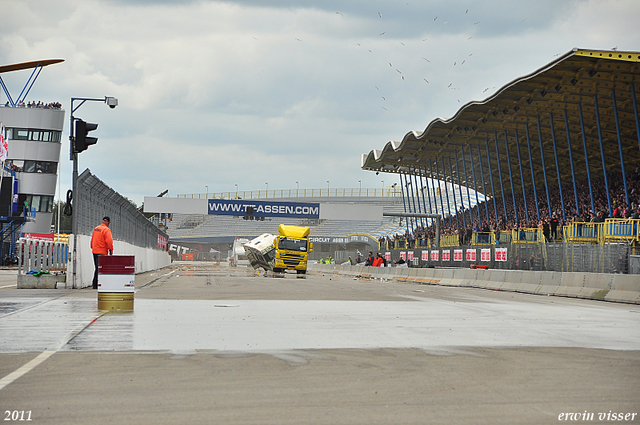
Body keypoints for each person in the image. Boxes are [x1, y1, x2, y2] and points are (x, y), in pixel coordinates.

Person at [91, 216, 113, 289]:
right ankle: (96, 284)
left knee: (97, 267)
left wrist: (92, 247)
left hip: (95, 251)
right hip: (102, 251)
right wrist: (111, 250)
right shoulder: (107, 230)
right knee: (100, 268)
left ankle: (95, 284)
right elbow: (109, 241)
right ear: (108, 223)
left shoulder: (96, 228)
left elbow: (92, 239)